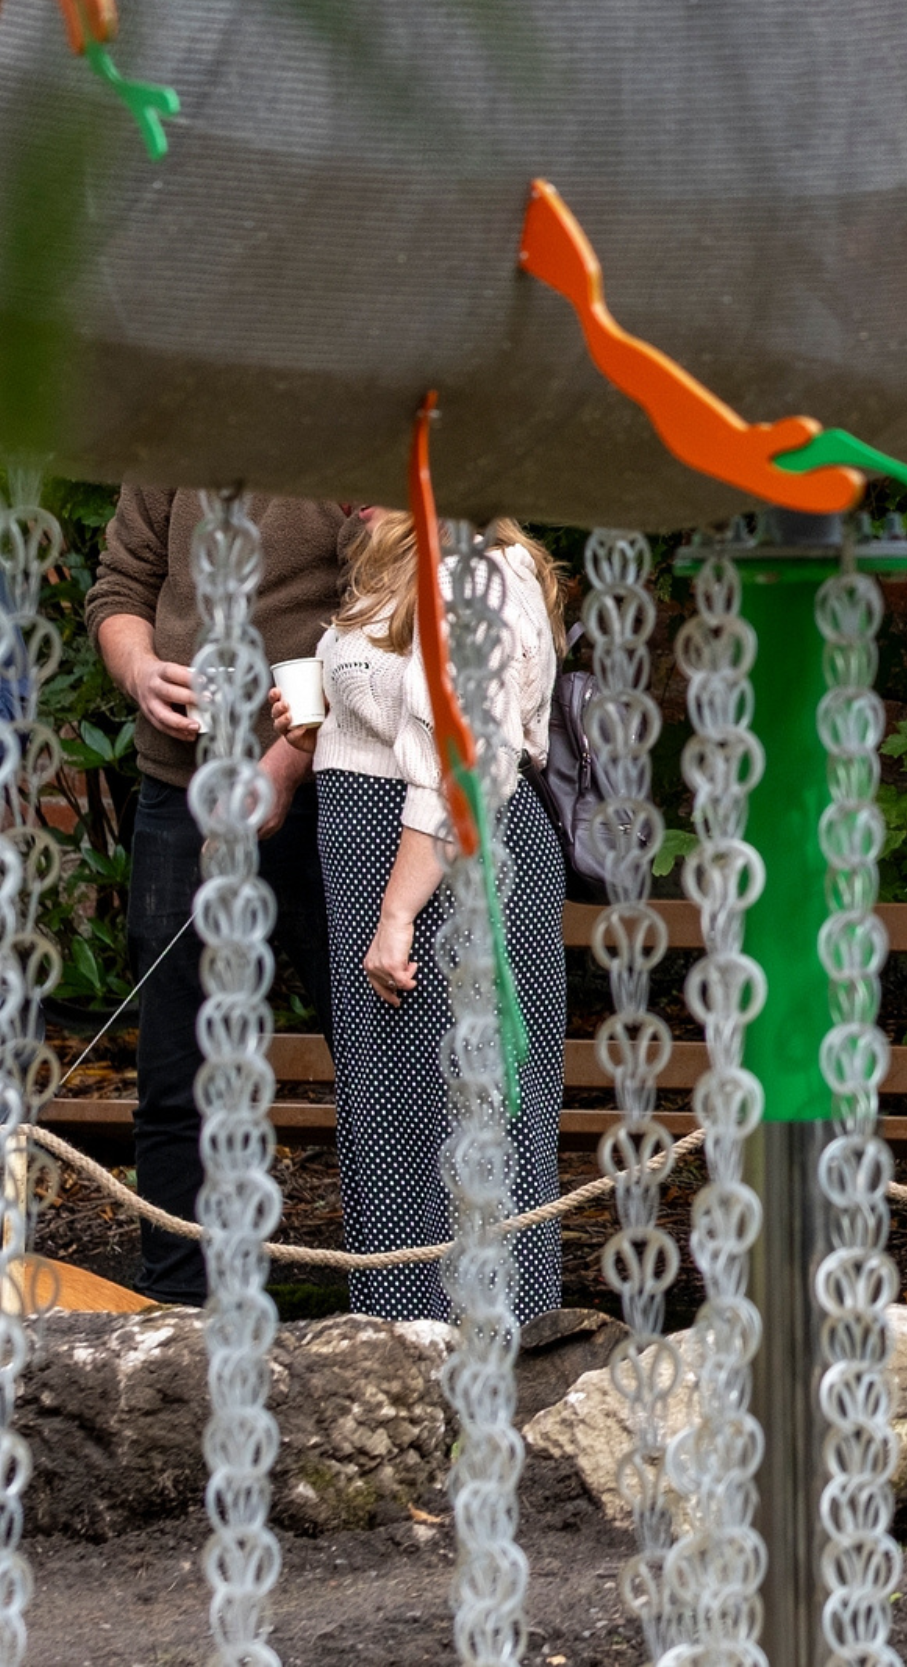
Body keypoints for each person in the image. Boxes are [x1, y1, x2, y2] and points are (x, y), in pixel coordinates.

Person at [84, 488, 351, 1303]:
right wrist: (137, 667)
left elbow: (388, 611)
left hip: (333, 787)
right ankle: (177, 1306)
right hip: (181, 786)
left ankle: (410, 1293)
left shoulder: (350, 416)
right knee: (179, 1064)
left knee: (375, 1046)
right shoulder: (175, 412)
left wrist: (288, 759)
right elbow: (119, 587)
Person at [312, 510, 568, 1321]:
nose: (346, 490)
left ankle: (500, 1370)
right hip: (395, 871)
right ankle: (400, 1361)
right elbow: (400, 720)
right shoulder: (401, 561)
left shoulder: (475, 575)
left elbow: (466, 760)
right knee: (393, 1122)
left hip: (440, 877)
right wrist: (325, 722)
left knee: (477, 1116)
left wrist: (397, 909)